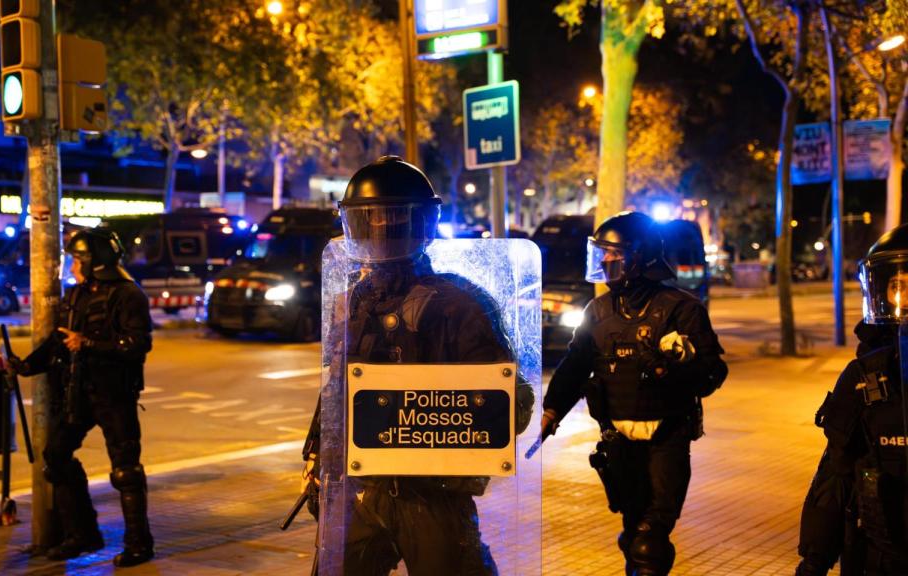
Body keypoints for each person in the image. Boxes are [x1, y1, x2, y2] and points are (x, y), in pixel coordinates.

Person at [301, 156, 535, 575]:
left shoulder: (458, 304)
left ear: (421, 224)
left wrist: (445, 427)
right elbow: (336, 387)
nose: (380, 231)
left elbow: (510, 401)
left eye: (393, 219)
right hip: (359, 486)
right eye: (367, 220)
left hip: (433, 492)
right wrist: (317, 454)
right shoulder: (351, 301)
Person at [540, 211, 727, 576]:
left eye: (614, 253)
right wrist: (551, 412)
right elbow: (576, 365)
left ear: (638, 256)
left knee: (650, 539)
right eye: (602, 254)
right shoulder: (598, 310)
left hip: (667, 435)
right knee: (632, 531)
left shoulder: (681, 309)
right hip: (617, 438)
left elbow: (712, 373)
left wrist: (670, 368)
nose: (605, 261)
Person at [9, 229, 154, 567]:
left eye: (78, 259)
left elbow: (137, 344)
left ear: (95, 262)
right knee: (56, 457)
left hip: (114, 394)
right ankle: (82, 534)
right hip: (77, 392)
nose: (73, 266)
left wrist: (88, 343)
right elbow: (59, 341)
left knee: (126, 471)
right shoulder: (75, 295)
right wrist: (25, 366)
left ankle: (139, 545)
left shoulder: (128, 295)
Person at [795, 224, 908, 575]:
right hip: (879, 558)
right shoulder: (865, 375)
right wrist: (814, 561)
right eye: (899, 286)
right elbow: (836, 473)